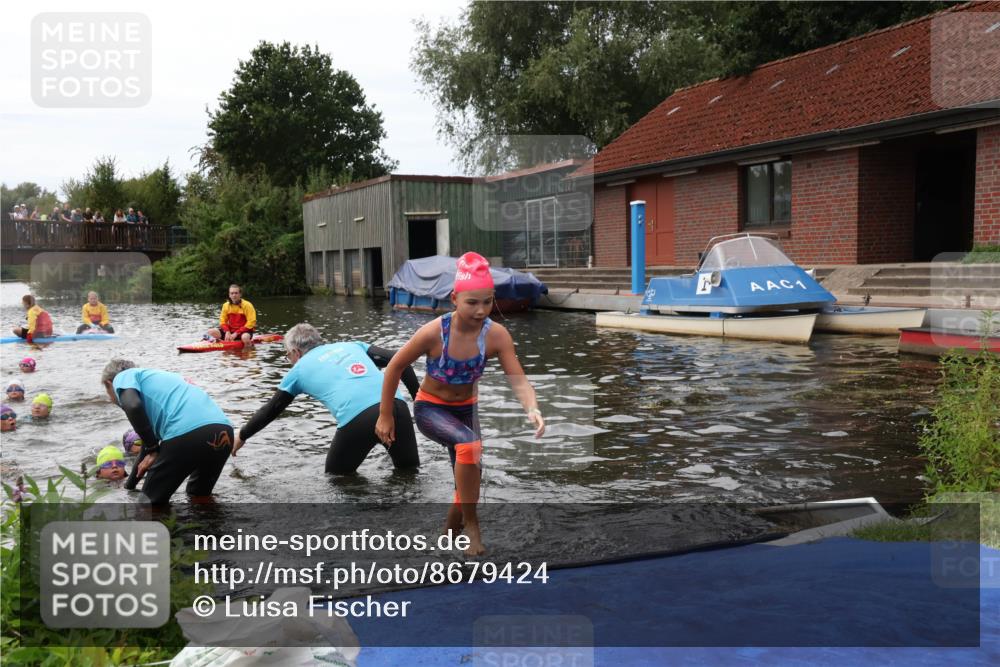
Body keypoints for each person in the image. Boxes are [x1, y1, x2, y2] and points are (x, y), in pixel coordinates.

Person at [375, 252, 545, 556]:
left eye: (487, 302)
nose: (481, 311)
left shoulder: (496, 336)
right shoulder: (433, 333)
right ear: (454, 298)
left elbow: (517, 378)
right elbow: (394, 367)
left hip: (467, 411)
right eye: (472, 303)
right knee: (469, 447)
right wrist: (385, 414)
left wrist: (532, 407)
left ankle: (446, 539)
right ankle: (472, 527)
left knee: (467, 484)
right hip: (432, 409)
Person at [233, 323, 421, 474]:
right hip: (397, 408)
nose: (289, 360)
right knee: (409, 474)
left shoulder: (298, 370)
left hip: (358, 419)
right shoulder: (352, 345)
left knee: (337, 479)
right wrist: (420, 405)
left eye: (287, 355)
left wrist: (242, 436)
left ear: (296, 352)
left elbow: (271, 409)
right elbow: (401, 361)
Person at [101, 359, 234, 504]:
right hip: (223, 429)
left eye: (109, 393)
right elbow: (147, 444)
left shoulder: (123, 377)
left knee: (147, 504)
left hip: (187, 432)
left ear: (109, 383)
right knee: (198, 496)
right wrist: (129, 487)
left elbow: (132, 406)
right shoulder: (158, 382)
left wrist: (153, 449)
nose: (111, 398)